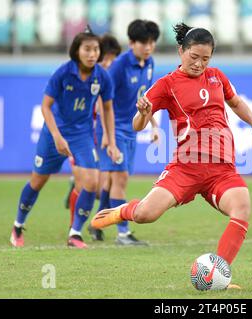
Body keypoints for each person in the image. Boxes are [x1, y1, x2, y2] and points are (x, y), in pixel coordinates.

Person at [90, 22, 252, 281]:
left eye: (205, 59)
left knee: (242, 208)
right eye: (194, 57)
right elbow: (136, 124)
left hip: (222, 169)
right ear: (180, 51)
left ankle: (216, 275)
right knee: (145, 215)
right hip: (186, 167)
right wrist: (143, 114)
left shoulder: (217, 76)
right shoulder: (167, 84)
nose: (199, 64)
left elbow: (236, 102)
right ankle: (122, 211)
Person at [10, 27, 120, 248]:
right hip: (54, 134)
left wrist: (111, 141)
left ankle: (75, 233)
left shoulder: (102, 77)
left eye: (96, 49)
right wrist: (57, 137)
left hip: (82, 135)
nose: (92, 54)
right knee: (38, 181)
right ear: (76, 51)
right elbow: (46, 106)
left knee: (91, 181)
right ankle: (18, 225)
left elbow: (108, 109)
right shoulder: (63, 73)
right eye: (87, 49)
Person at [88, 20, 161, 245]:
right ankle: (123, 233)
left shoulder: (149, 64)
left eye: (152, 43)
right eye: (143, 43)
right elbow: (102, 100)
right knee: (120, 179)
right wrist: (108, 138)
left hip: (131, 129)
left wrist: (154, 125)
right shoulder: (119, 66)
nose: (148, 47)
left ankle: (96, 224)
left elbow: (145, 100)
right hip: (114, 128)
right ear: (131, 43)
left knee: (111, 183)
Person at [65, 34, 122, 229]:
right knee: (87, 185)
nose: (108, 63)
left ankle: (94, 225)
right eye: (105, 58)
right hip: (79, 135)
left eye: (112, 59)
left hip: (95, 135)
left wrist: (108, 135)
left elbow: (107, 108)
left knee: (102, 185)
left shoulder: (105, 78)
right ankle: (75, 230)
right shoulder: (84, 76)